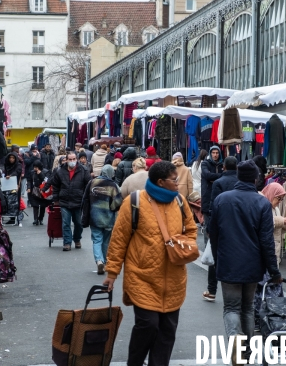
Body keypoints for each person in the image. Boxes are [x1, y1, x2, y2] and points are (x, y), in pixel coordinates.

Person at [103, 161, 197, 366]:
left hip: (174, 278)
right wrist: (112, 273)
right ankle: (134, 362)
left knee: (167, 330)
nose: (178, 183)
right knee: (148, 324)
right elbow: (119, 240)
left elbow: (191, 230)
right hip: (142, 276)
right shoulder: (134, 202)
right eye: (174, 180)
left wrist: (182, 243)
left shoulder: (180, 202)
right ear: (161, 182)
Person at [209, 161, 281, 362]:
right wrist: (273, 270)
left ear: (238, 177)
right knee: (248, 308)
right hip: (252, 263)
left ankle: (234, 339)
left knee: (231, 307)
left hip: (228, 261)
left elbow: (213, 233)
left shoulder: (222, 200)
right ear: (256, 179)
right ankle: (248, 350)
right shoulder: (262, 203)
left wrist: (218, 258)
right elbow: (267, 241)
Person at [202, 156, 238, 302]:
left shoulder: (218, 183)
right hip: (238, 225)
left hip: (222, 225)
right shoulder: (241, 182)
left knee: (215, 257)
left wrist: (210, 228)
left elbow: (213, 207)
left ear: (223, 167)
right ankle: (235, 289)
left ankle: (212, 290)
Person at [81, 165, 122, 274]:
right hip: (108, 218)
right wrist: (112, 208)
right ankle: (105, 261)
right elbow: (118, 202)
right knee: (106, 241)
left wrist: (85, 214)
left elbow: (85, 199)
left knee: (96, 239)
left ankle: (99, 261)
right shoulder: (114, 185)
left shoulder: (92, 183)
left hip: (94, 217)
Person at [47, 152, 91, 251]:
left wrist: (87, 199)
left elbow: (89, 185)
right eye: (70, 159)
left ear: (77, 159)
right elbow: (55, 186)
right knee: (65, 223)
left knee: (78, 223)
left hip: (79, 201)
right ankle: (67, 243)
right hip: (64, 201)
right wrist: (56, 200)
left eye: (74, 159)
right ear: (66, 160)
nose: (72, 161)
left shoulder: (83, 170)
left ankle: (77, 239)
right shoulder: (60, 171)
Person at [200, 146, 223, 301]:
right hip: (208, 203)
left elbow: (213, 177)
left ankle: (212, 289)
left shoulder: (220, 165)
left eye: (217, 153)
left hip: (218, 204)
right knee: (209, 233)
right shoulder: (205, 164)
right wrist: (219, 176)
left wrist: (217, 177)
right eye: (213, 153)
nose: (215, 155)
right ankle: (209, 246)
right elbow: (207, 176)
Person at [262, 182, 286, 266]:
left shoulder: (276, 209)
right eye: (278, 198)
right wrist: (282, 220)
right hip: (265, 249)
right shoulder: (262, 206)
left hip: (274, 249)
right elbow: (265, 224)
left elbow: (278, 230)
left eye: (282, 199)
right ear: (272, 194)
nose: (280, 201)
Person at [28, 161, 50, 225]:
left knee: (42, 205)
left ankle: (41, 219)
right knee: (35, 205)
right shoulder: (32, 172)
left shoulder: (46, 172)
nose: (35, 169)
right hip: (34, 190)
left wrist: (40, 174)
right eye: (34, 167)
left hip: (43, 190)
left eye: (36, 167)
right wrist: (29, 188)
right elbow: (29, 180)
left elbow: (46, 180)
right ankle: (35, 219)